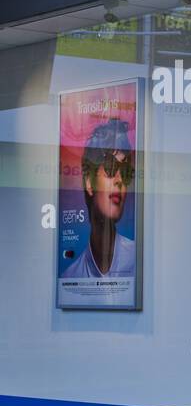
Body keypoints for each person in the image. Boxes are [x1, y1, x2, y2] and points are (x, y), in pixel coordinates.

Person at [63, 119, 137, 294]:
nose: (119, 181)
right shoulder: (70, 279)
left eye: (125, 172)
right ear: (89, 182)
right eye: (111, 167)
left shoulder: (140, 260)